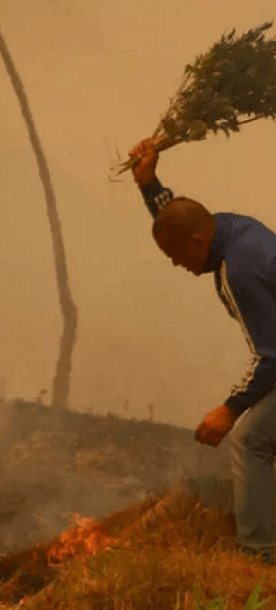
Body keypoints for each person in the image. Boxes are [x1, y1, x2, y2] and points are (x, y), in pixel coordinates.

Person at [129, 137, 276, 565]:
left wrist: (229, 409)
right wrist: (148, 183)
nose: (177, 265)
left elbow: (272, 357)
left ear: (196, 243)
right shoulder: (231, 228)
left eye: (175, 257)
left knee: (251, 439)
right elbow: (179, 218)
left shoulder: (239, 272)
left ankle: (260, 556)